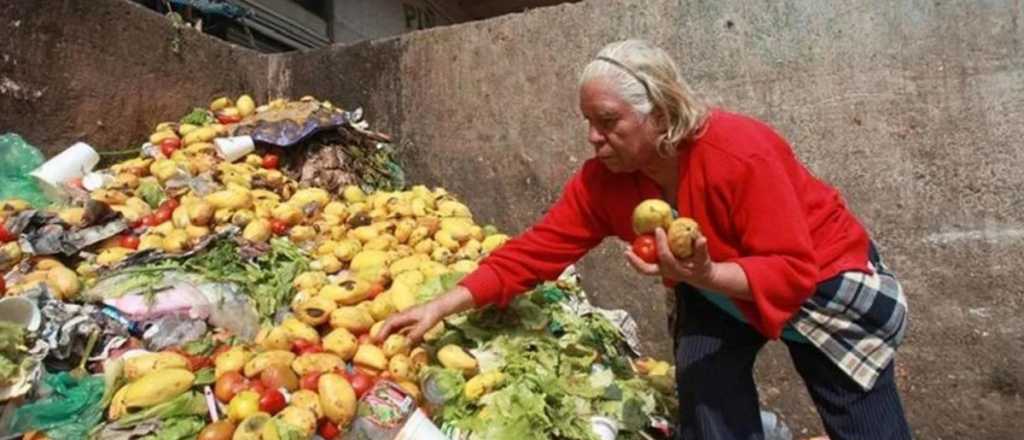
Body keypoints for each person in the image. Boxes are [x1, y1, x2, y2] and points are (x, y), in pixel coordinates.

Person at [375, 39, 912, 440]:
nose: (592, 137)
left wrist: (704, 275)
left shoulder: (740, 152)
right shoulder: (604, 182)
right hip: (715, 289)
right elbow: (538, 250)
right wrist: (445, 303)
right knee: (707, 394)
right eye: (587, 121)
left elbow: (791, 269)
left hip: (823, 284)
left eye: (607, 121)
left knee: (861, 414)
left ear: (661, 112)